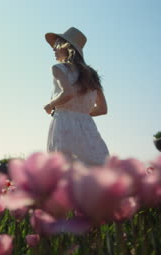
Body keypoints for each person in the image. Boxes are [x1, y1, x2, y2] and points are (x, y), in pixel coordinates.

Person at [43, 27, 109, 166]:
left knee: (65, 168)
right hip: (87, 126)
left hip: (64, 124)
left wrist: (50, 105)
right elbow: (102, 109)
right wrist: (82, 113)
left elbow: (68, 93)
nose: (53, 49)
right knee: (95, 168)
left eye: (56, 45)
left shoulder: (58, 68)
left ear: (65, 46)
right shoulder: (92, 74)